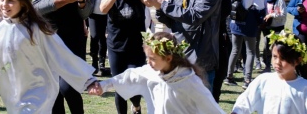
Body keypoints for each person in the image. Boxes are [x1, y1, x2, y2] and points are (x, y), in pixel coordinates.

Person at [0, 0, 96, 113]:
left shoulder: (35, 29)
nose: (4, 4)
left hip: (38, 90)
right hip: (12, 91)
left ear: (23, 3)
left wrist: (88, 80)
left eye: (10, 1)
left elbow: (61, 54)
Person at [144, 0, 222, 91]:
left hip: (201, 61)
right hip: (177, 59)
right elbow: (170, 21)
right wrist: (158, 7)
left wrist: (163, 4)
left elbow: (195, 17)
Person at [89, 32, 226, 114]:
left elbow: (211, 108)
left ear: (168, 58)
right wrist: (103, 85)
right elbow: (128, 77)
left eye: (152, 59)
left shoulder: (190, 82)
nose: (148, 62)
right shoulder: (151, 72)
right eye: (147, 57)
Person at [29, 0, 92, 114]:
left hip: (72, 38)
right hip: (46, 36)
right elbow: (36, 6)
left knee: (69, 88)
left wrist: (80, 2)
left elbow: (86, 13)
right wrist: (66, 0)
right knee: (53, 89)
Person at [231, 29, 307, 114]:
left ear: (298, 60)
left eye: (283, 58)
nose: (277, 62)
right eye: (275, 56)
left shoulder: (306, 88)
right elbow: (245, 101)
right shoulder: (264, 80)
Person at [100, 0, 147, 114]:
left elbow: (149, 2)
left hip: (136, 47)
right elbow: (103, 8)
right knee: (119, 85)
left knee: (134, 82)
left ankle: (136, 106)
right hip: (116, 46)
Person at [224, 0, 266, 89]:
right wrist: (260, 21)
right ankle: (247, 79)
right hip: (250, 22)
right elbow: (260, 7)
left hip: (235, 21)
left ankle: (229, 76)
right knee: (250, 51)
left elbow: (229, 1)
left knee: (235, 50)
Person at [87, 0, 110, 76]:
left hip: (106, 14)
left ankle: (102, 63)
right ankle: (94, 62)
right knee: (94, 37)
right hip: (93, 14)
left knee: (103, 39)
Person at [260, 0, 286, 73]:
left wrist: (272, 15)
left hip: (277, 28)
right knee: (266, 48)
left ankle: (279, 67)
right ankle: (267, 67)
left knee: (277, 49)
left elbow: (283, 15)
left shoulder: (279, 0)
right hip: (267, 27)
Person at [253, 0, 267, 70]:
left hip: (267, 21)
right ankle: (257, 61)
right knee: (256, 42)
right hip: (257, 21)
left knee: (267, 42)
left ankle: (266, 60)